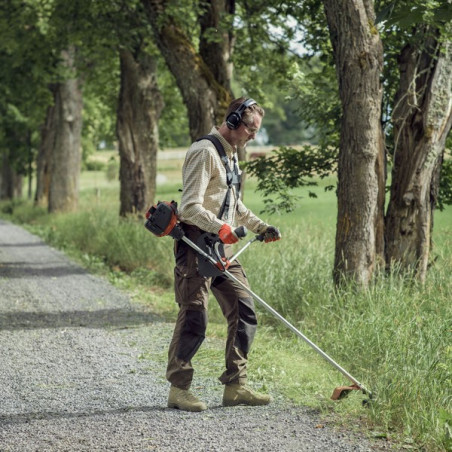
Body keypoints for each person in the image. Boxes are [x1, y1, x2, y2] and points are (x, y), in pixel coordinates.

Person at [166, 97, 281, 412]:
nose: (253, 136)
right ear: (232, 122)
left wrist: (260, 227)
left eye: (256, 130)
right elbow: (189, 206)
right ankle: (179, 389)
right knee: (194, 316)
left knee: (244, 309)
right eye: (250, 129)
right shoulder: (204, 152)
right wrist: (220, 228)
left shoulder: (232, 156)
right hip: (195, 245)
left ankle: (236, 386)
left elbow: (235, 206)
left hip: (222, 246)